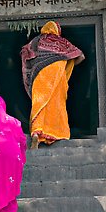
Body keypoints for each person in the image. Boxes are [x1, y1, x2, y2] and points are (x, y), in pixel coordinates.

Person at [20, 20, 85, 149]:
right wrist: (67, 63)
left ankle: (36, 132)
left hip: (40, 77)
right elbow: (81, 56)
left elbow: (25, 53)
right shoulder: (62, 42)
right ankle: (55, 133)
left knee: (39, 104)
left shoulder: (36, 41)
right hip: (56, 79)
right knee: (56, 105)